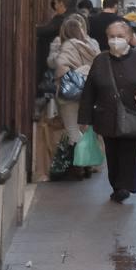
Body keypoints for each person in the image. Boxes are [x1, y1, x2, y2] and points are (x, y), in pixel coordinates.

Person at [78, 20, 136, 202]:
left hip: (133, 115)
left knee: (129, 153)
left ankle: (124, 186)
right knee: (112, 154)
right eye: (112, 37)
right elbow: (89, 91)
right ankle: (116, 184)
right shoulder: (100, 60)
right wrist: (84, 118)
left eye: (120, 36)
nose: (116, 40)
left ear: (130, 38)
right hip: (106, 116)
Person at [48, 14, 100, 163]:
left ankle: (81, 163)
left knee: (72, 128)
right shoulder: (91, 45)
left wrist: (67, 74)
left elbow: (59, 65)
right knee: (85, 127)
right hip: (89, 90)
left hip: (71, 92)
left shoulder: (66, 45)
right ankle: (88, 162)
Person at [36, 0, 77, 83]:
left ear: (61, 4)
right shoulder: (80, 17)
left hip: (58, 60)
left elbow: (45, 31)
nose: (54, 5)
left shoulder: (61, 18)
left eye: (55, 1)